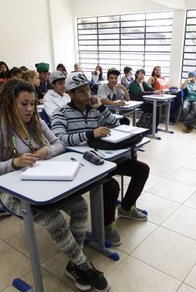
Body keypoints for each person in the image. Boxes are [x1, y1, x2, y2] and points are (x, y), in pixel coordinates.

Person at [0, 79, 110, 292]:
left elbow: (59, 143)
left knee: (80, 207)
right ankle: (85, 265)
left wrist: (45, 152)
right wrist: (14, 162)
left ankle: (73, 264)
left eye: (33, 103)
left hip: (44, 181)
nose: (31, 109)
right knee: (54, 219)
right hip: (11, 192)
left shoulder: (36, 123)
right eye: (24, 104)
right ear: (9, 103)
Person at [51, 72, 150, 247]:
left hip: (104, 158)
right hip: (81, 164)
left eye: (88, 89)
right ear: (70, 93)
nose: (87, 94)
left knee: (142, 169)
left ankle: (126, 208)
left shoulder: (94, 109)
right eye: (81, 91)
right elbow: (59, 138)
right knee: (111, 186)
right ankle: (107, 225)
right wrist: (90, 133)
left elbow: (118, 125)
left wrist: (101, 108)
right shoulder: (61, 112)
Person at [129, 69, 164, 133]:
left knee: (156, 106)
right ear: (136, 74)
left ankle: (154, 127)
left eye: (143, 74)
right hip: (138, 103)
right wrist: (154, 92)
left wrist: (158, 91)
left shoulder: (143, 82)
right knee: (153, 107)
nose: (143, 75)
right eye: (141, 73)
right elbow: (141, 93)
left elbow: (149, 88)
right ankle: (150, 127)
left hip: (144, 101)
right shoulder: (133, 84)